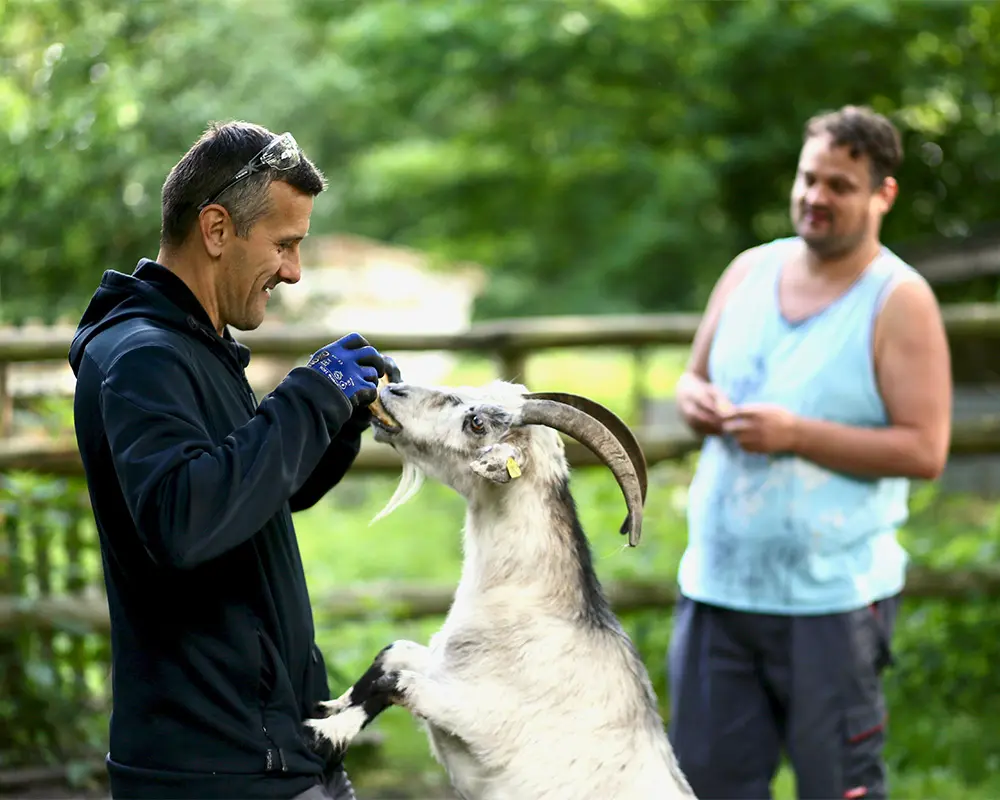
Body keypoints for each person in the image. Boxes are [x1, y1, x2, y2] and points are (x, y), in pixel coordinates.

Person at [69, 121, 396, 800]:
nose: (294, 271)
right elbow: (186, 520)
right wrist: (311, 395)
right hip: (217, 772)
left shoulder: (195, 345)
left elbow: (252, 496)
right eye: (284, 244)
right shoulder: (144, 356)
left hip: (275, 750)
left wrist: (338, 418)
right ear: (217, 229)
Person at [667, 105, 952, 799]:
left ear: (883, 194)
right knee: (705, 787)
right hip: (716, 589)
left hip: (832, 603)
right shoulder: (748, 271)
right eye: (808, 178)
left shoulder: (899, 300)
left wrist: (796, 436)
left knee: (837, 789)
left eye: (840, 186)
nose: (815, 197)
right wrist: (694, 401)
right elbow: (691, 379)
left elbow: (925, 449)